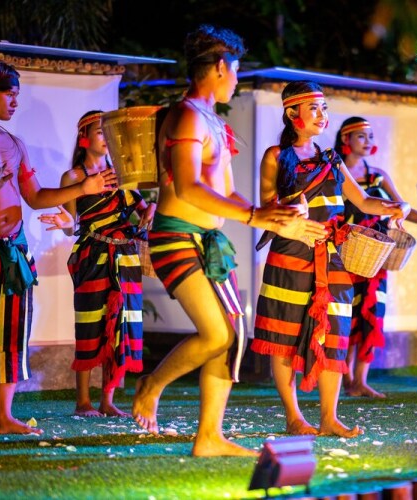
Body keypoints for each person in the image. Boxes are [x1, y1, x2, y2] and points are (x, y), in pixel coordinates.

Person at [130, 26, 327, 456]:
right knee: (217, 333)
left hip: (209, 240)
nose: (237, 79)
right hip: (176, 236)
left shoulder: (214, 123)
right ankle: (151, 384)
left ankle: (209, 437)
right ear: (221, 67)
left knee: (234, 333)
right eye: (236, 70)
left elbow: (226, 191)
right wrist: (255, 215)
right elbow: (188, 187)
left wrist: (272, 217)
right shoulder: (185, 116)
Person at [0, 57, 114, 434]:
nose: (15, 102)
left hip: (15, 248)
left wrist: (82, 188)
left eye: (18, 95)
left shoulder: (14, 144)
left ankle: (2, 416)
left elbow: (35, 197)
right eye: (10, 94)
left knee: (12, 331)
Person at [252, 82, 410, 436]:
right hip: (290, 254)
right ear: (292, 113)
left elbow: (364, 201)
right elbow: (265, 210)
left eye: (325, 108)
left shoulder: (332, 159)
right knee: (284, 334)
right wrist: (291, 212)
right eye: (314, 108)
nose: (322, 115)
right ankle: (294, 417)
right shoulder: (275, 156)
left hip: (332, 256)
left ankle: (329, 418)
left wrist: (397, 206)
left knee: (335, 334)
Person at [39, 111, 155, 417]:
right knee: (90, 324)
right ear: (84, 138)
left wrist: (152, 209)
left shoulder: (122, 173)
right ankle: (83, 402)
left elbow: (142, 209)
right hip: (92, 257)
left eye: (109, 132)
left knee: (119, 326)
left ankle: (107, 400)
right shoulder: (73, 177)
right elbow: (70, 223)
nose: (107, 138)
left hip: (125, 256)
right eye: (101, 132)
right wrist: (64, 221)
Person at [334, 116, 417, 398]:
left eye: (370, 136)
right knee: (345, 316)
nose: (368, 141)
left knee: (372, 314)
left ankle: (360, 380)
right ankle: (344, 378)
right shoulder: (337, 174)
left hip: (376, 256)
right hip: (344, 256)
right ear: (345, 139)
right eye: (361, 136)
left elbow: (401, 207)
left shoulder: (378, 176)